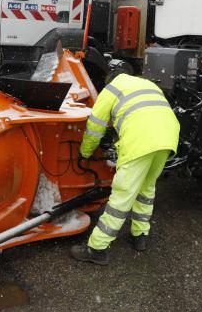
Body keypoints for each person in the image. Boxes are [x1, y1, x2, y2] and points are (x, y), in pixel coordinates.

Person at [71, 73, 180, 264]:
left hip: (141, 140)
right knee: (146, 188)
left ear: (108, 80)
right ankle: (140, 236)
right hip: (168, 137)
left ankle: (97, 248)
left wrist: (85, 153)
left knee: (122, 194)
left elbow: (95, 126)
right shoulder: (146, 83)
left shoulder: (111, 89)